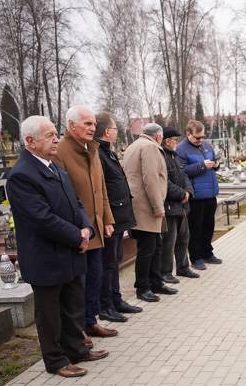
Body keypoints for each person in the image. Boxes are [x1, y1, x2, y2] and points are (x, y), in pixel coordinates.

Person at [6, 115, 109, 377]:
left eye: (55, 133)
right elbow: (42, 218)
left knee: (73, 305)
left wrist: (87, 228)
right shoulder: (21, 175)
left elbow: (75, 202)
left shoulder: (53, 166)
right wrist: (78, 236)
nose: (56, 139)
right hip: (46, 257)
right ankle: (55, 361)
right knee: (50, 314)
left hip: (69, 252)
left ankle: (76, 349)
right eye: (50, 135)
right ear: (30, 141)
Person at [54, 105, 117, 340]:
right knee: (77, 286)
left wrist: (108, 219)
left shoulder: (92, 149)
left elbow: (101, 189)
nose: (93, 128)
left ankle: (91, 321)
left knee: (95, 279)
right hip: (78, 232)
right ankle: (77, 330)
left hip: (97, 229)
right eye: (87, 124)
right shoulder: (61, 151)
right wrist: (76, 230)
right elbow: (62, 197)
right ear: (71, 126)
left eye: (93, 124)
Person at [95, 112, 142, 321]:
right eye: (115, 128)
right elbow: (102, 189)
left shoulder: (108, 153)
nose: (116, 132)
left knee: (115, 260)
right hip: (111, 218)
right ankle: (105, 306)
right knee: (108, 264)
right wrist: (107, 219)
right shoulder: (98, 154)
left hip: (119, 217)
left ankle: (116, 300)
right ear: (107, 131)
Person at [124, 123, 176, 302]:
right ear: (159, 136)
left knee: (155, 245)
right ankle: (143, 286)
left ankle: (156, 281)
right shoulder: (150, 147)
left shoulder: (134, 146)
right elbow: (151, 178)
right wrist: (158, 207)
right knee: (147, 248)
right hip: (147, 206)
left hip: (139, 204)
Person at [176, 120, 221, 271]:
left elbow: (214, 161)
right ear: (189, 134)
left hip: (210, 193)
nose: (200, 140)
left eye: (202, 137)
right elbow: (181, 172)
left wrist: (216, 164)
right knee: (196, 228)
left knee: (209, 226)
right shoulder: (181, 149)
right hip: (196, 196)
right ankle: (196, 257)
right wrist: (202, 166)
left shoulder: (206, 145)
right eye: (197, 137)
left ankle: (207, 252)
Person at [160, 126, 197, 282]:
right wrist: (181, 194)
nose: (176, 142)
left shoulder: (174, 156)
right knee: (169, 241)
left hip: (182, 206)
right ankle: (166, 272)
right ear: (167, 141)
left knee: (184, 238)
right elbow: (165, 183)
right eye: (175, 140)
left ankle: (183, 267)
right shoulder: (162, 157)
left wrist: (188, 192)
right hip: (171, 206)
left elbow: (184, 176)